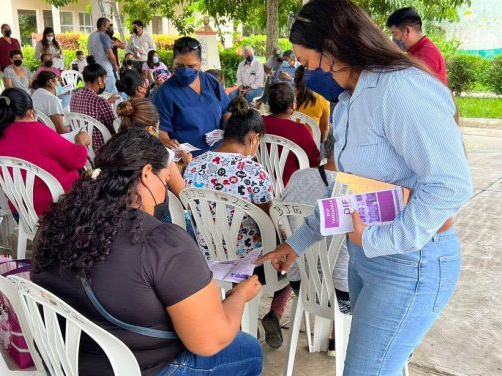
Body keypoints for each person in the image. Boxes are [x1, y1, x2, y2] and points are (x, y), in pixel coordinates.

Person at [257, 1, 473, 375]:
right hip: (366, 258)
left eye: (308, 64)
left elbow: (450, 185)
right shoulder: (348, 102)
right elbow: (347, 192)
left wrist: (377, 240)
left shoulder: (400, 89)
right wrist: (297, 242)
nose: (305, 76)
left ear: (335, 48)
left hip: (411, 260)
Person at [31, 127, 263, 376]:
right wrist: (238, 297)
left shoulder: (55, 224)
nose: (164, 190)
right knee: (247, 349)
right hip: (141, 368)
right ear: (147, 174)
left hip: (66, 362)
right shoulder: (161, 243)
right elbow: (208, 341)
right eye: (164, 180)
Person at [183, 96, 290, 349]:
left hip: (205, 256)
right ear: (254, 138)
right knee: (293, 254)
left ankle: (234, 317)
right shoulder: (254, 171)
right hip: (248, 261)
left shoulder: (194, 166)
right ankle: (274, 312)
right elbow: (269, 218)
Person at [281, 129, 350, 355]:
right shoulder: (360, 189)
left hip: (302, 284)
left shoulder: (299, 177)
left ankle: (333, 338)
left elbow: (282, 218)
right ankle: (338, 339)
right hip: (344, 296)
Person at [0, 88, 90, 217]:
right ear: (29, 112)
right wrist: (80, 142)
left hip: (22, 211)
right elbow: (78, 160)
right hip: (59, 207)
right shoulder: (36, 130)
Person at [152, 37, 230, 156]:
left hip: (219, 154)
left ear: (200, 64)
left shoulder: (211, 82)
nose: (185, 71)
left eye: (191, 66)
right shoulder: (164, 93)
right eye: (180, 65)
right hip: (188, 161)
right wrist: (166, 141)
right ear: (173, 62)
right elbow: (160, 130)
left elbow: (226, 111)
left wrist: (230, 129)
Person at [117, 97, 190, 200]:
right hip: (152, 212)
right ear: (151, 130)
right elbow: (184, 196)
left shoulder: (114, 149)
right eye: (158, 125)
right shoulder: (162, 154)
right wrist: (189, 166)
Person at [263, 82, 320, 185]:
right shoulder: (301, 130)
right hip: (292, 187)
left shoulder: (259, 122)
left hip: (263, 184)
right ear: (293, 105)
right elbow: (314, 163)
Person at [387, 7, 447, 85]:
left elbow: (408, 85)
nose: (394, 38)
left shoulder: (427, 54)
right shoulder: (415, 50)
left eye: (395, 33)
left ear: (407, 31)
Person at [70, 63, 118, 153]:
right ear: (100, 80)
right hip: (102, 148)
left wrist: (107, 102)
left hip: (84, 145)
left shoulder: (74, 96)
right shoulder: (99, 101)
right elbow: (114, 127)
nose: (106, 81)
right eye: (105, 78)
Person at [294, 66, 330, 140]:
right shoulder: (323, 98)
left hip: (289, 145)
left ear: (295, 79)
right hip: (312, 146)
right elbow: (324, 129)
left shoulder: (288, 96)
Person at [88, 18, 119, 94]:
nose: (109, 28)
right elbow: (110, 55)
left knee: (99, 94)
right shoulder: (104, 36)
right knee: (111, 95)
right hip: (106, 71)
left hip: (94, 70)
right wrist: (115, 65)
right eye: (108, 26)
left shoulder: (91, 36)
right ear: (102, 25)